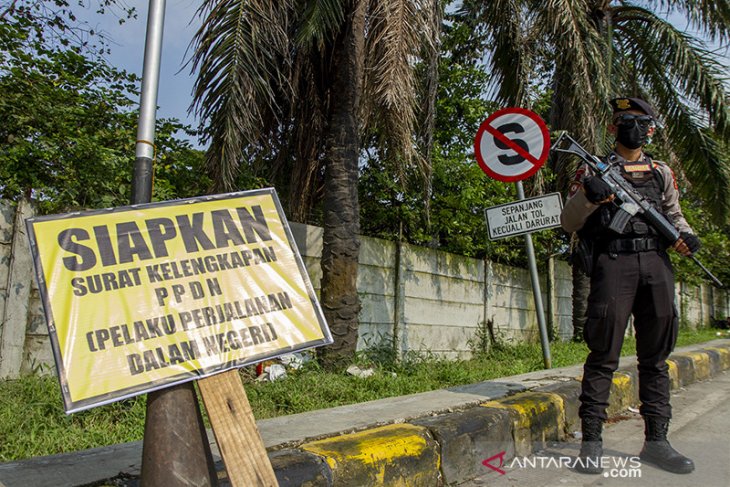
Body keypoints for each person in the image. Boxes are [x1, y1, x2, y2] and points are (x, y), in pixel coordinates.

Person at [560, 97, 700, 475]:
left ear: (651, 129)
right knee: (603, 352)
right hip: (614, 262)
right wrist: (589, 194)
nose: (631, 127)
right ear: (612, 127)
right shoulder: (592, 169)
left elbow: (674, 214)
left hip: (656, 262)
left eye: (639, 121)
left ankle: (657, 442)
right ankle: (591, 444)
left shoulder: (661, 172)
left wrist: (687, 237)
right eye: (624, 120)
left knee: (655, 357)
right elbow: (569, 222)